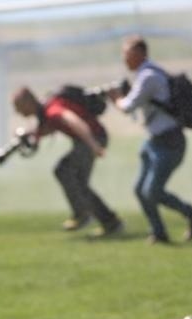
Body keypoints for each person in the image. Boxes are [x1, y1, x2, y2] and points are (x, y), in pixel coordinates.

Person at [108, 37, 192, 244]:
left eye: (128, 54)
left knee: (152, 191)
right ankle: (159, 232)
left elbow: (127, 107)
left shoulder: (148, 76)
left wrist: (115, 97)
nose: (124, 59)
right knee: (140, 190)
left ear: (141, 54)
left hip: (169, 141)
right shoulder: (146, 74)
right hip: (154, 140)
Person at [12, 86, 124, 236]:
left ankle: (83, 214)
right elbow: (48, 128)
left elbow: (74, 121)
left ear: (27, 102)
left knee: (64, 171)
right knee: (79, 183)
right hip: (88, 140)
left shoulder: (52, 109)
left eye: (18, 107)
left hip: (92, 138)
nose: (18, 112)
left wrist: (93, 145)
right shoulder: (46, 109)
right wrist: (30, 134)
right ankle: (110, 222)